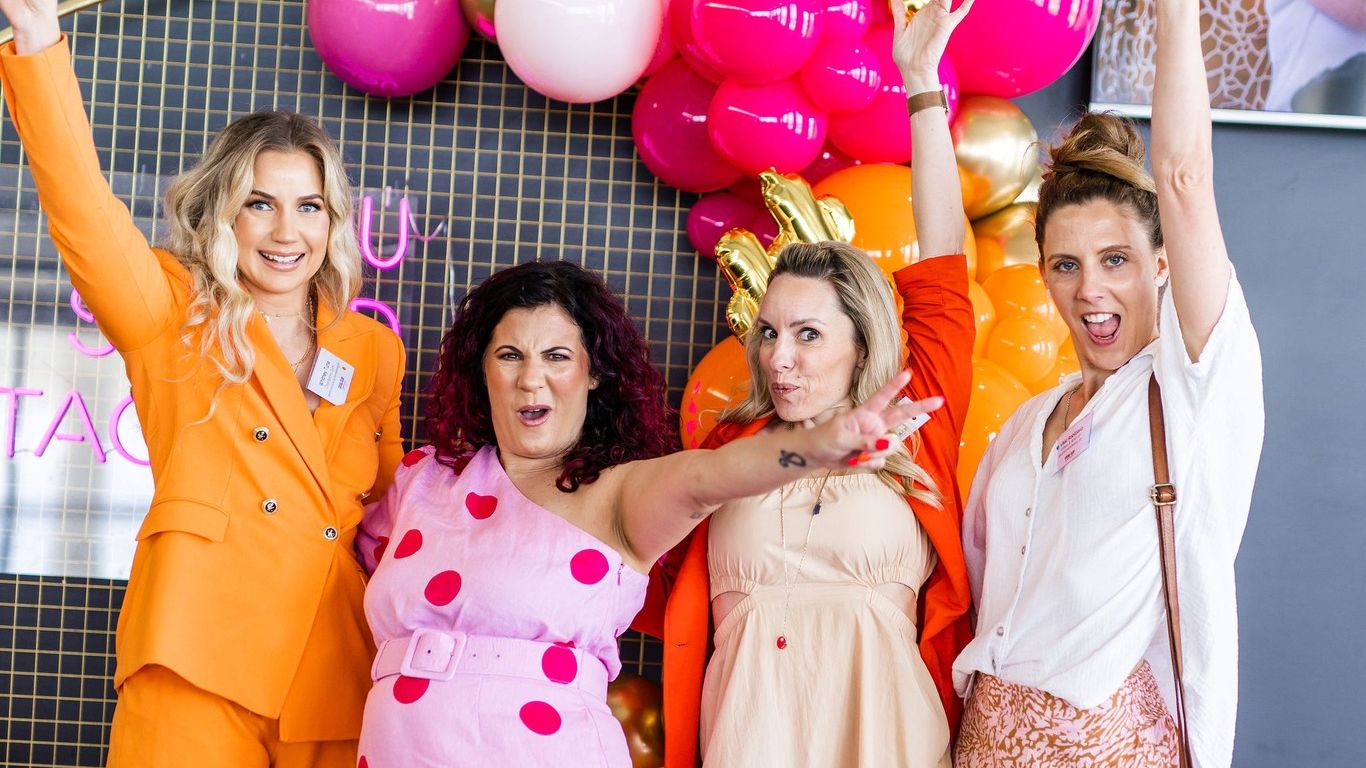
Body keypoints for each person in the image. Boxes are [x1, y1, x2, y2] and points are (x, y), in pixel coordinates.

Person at [0, 3, 408, 765]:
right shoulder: (171, 310)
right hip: (196, 658)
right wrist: (37, 39)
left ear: (332, 222)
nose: (286, 232)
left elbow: (397, 516)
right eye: (260, 204)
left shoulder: (374, 350)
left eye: (308, 207)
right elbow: (84, 213)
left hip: (331, 675)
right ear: (224, 211)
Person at [352, 260, 939, 767]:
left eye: (557, 356)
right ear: (481, 368)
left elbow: (713, 476)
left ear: (594, 372)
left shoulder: (619, 494)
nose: (531, 379)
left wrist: (817, 447)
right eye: (510, 355)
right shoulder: (422, 478)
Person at [640, 2, 978, 765]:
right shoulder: (729, 449)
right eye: (768, 332)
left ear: (863, 345)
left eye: (808, 334)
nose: (778, 357)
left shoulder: (914, 418)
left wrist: (920, 83)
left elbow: (944, 270)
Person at [951, 0, 1264, 764]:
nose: (1091, 288)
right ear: (1044, 276)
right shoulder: (1028, 424)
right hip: (982, 740)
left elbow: (1183, 177)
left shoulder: (1191, 390)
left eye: (1116, 260)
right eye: (1067, 264)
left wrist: (1175, 15)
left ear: (1162, 264)